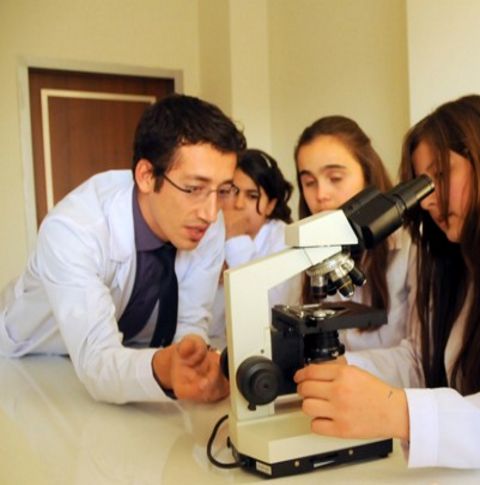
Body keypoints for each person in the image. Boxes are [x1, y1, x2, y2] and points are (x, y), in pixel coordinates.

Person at [294, 95, 480, 468]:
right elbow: (420, 360)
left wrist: (403, 414)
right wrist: (337, 373)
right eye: (421, 185)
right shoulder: (455, 263)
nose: (427, 201)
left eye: (440, 176)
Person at [0, 94, 247, 404]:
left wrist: (194, 363)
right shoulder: (74, 229)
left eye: (222, 190)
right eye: (193, 188)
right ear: (146, 176)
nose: (210, 213)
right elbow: (97, 360)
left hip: (117, 359)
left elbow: (190, 321)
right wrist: (165, 369)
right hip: (26, 361)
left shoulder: (206, 222)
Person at [294, 115, 415, 351]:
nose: (320, 195)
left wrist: (341, 367)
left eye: (335, 178)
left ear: (367, 176)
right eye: (309, 182)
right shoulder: (305, 252)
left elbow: (419, 357)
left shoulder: (410, 248)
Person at [210, 149, 299, 342]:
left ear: (270, 205)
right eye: (232, 191)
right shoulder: (210, 231)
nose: (238, 204)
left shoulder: (286, 241)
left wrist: (235, 239)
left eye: (252, 196)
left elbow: (267, 318)